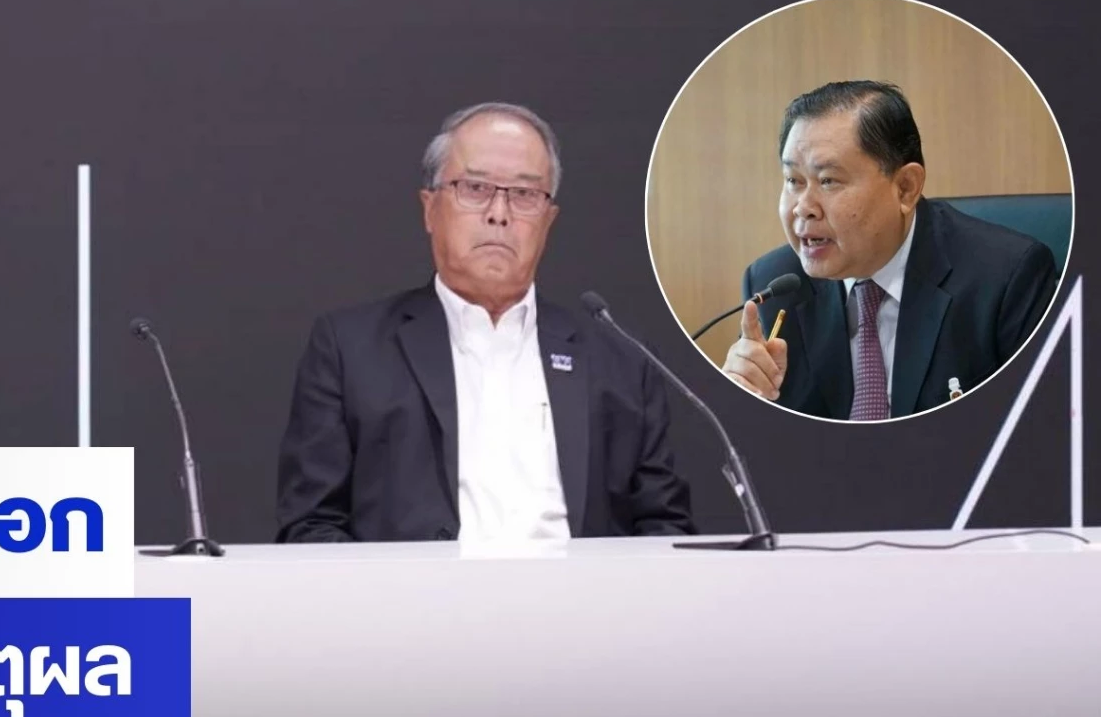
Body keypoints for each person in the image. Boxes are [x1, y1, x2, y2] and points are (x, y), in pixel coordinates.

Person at [275, 103, 694, 542]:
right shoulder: (351, 350)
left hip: (576, 586)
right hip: (415, 587)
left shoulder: (619, 359)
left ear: (548, 220)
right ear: (429, 209)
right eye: (475, 188)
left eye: (524, 194)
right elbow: (311, 527)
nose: (499, 213)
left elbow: (665, 529)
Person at [723, 81, 1058, 420]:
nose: (803, 208)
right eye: (793, 181)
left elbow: (1042, 429)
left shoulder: (1005, 278)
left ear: (905, 188)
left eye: (828, 181)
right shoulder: (774, 286)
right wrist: (744, 403)